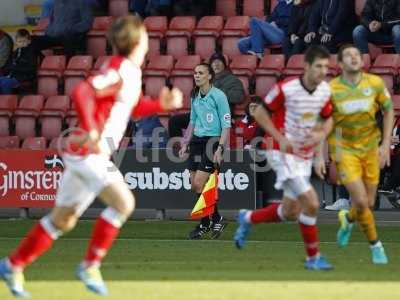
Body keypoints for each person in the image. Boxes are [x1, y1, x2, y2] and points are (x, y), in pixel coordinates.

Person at [0, 16, 182, 298]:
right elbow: (82, 90)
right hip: (89, 152)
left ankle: (12, 265)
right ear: (136, 41)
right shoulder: (119, 69)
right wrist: (94, 130)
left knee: (63, 220)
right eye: (145, 36)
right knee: (124, 203)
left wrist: (160, 105)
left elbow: (131, 108)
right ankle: (90, 265)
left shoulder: (130, 72)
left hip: (86, 153)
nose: (148, 41)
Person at [234, 45, 334, 270]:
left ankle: (248, 218)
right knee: (312, 203)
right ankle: (313, 258)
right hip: (281, 153)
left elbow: (325, 120)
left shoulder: (325, 91)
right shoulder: (286, 88)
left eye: (326, 67)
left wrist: (319, 153)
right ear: (306, 66)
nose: (322, 71)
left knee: (290, 211)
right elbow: (259, 111)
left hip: (304, 156)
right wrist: (279, 137)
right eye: (318, 66)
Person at [328, 44, 394, 264]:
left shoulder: (374, 83)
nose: (354, 58)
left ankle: (348, 219)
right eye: (348, 56)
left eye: (357, 55)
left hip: (371, 149)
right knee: (361, 199)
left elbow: (388, 110)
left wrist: (385, 144)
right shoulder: (333, 89)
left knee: (369, 201)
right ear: (340, 63)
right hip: (346, 152)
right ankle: (376, 247)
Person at [179, 63, 231, 240]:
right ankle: (216, 218)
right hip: (197, 141)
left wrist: (220, 148)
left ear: (209, 76)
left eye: (201, 73)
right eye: (195, 73)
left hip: (213, 141)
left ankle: (205, 223)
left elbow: (226, 126)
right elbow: (192, 121)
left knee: (200, 183)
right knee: (195, 184)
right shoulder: (194, 95)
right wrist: (185, 143)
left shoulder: (219, 96)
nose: (197, 76)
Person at [168, 52, 244, 138]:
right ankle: (177, 148)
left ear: (224, 65)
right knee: (174, 121)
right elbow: (194, 94)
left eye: (219, 62)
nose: (216, 64)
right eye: (214, 62)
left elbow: (239, 97)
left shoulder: (232, 80)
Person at [0, 29, 37, 94]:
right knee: (2, 80)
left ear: (29, 41)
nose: (22, 44)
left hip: (23, 77)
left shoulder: (31, 53)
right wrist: (7, 70)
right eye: (20, 42)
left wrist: (14, 68)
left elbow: (31, 69)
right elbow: (8, 65)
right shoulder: (15, 53)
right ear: (16, 42)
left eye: (24, 41)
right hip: (12, 76)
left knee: (5, 82)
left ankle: (7, 100)